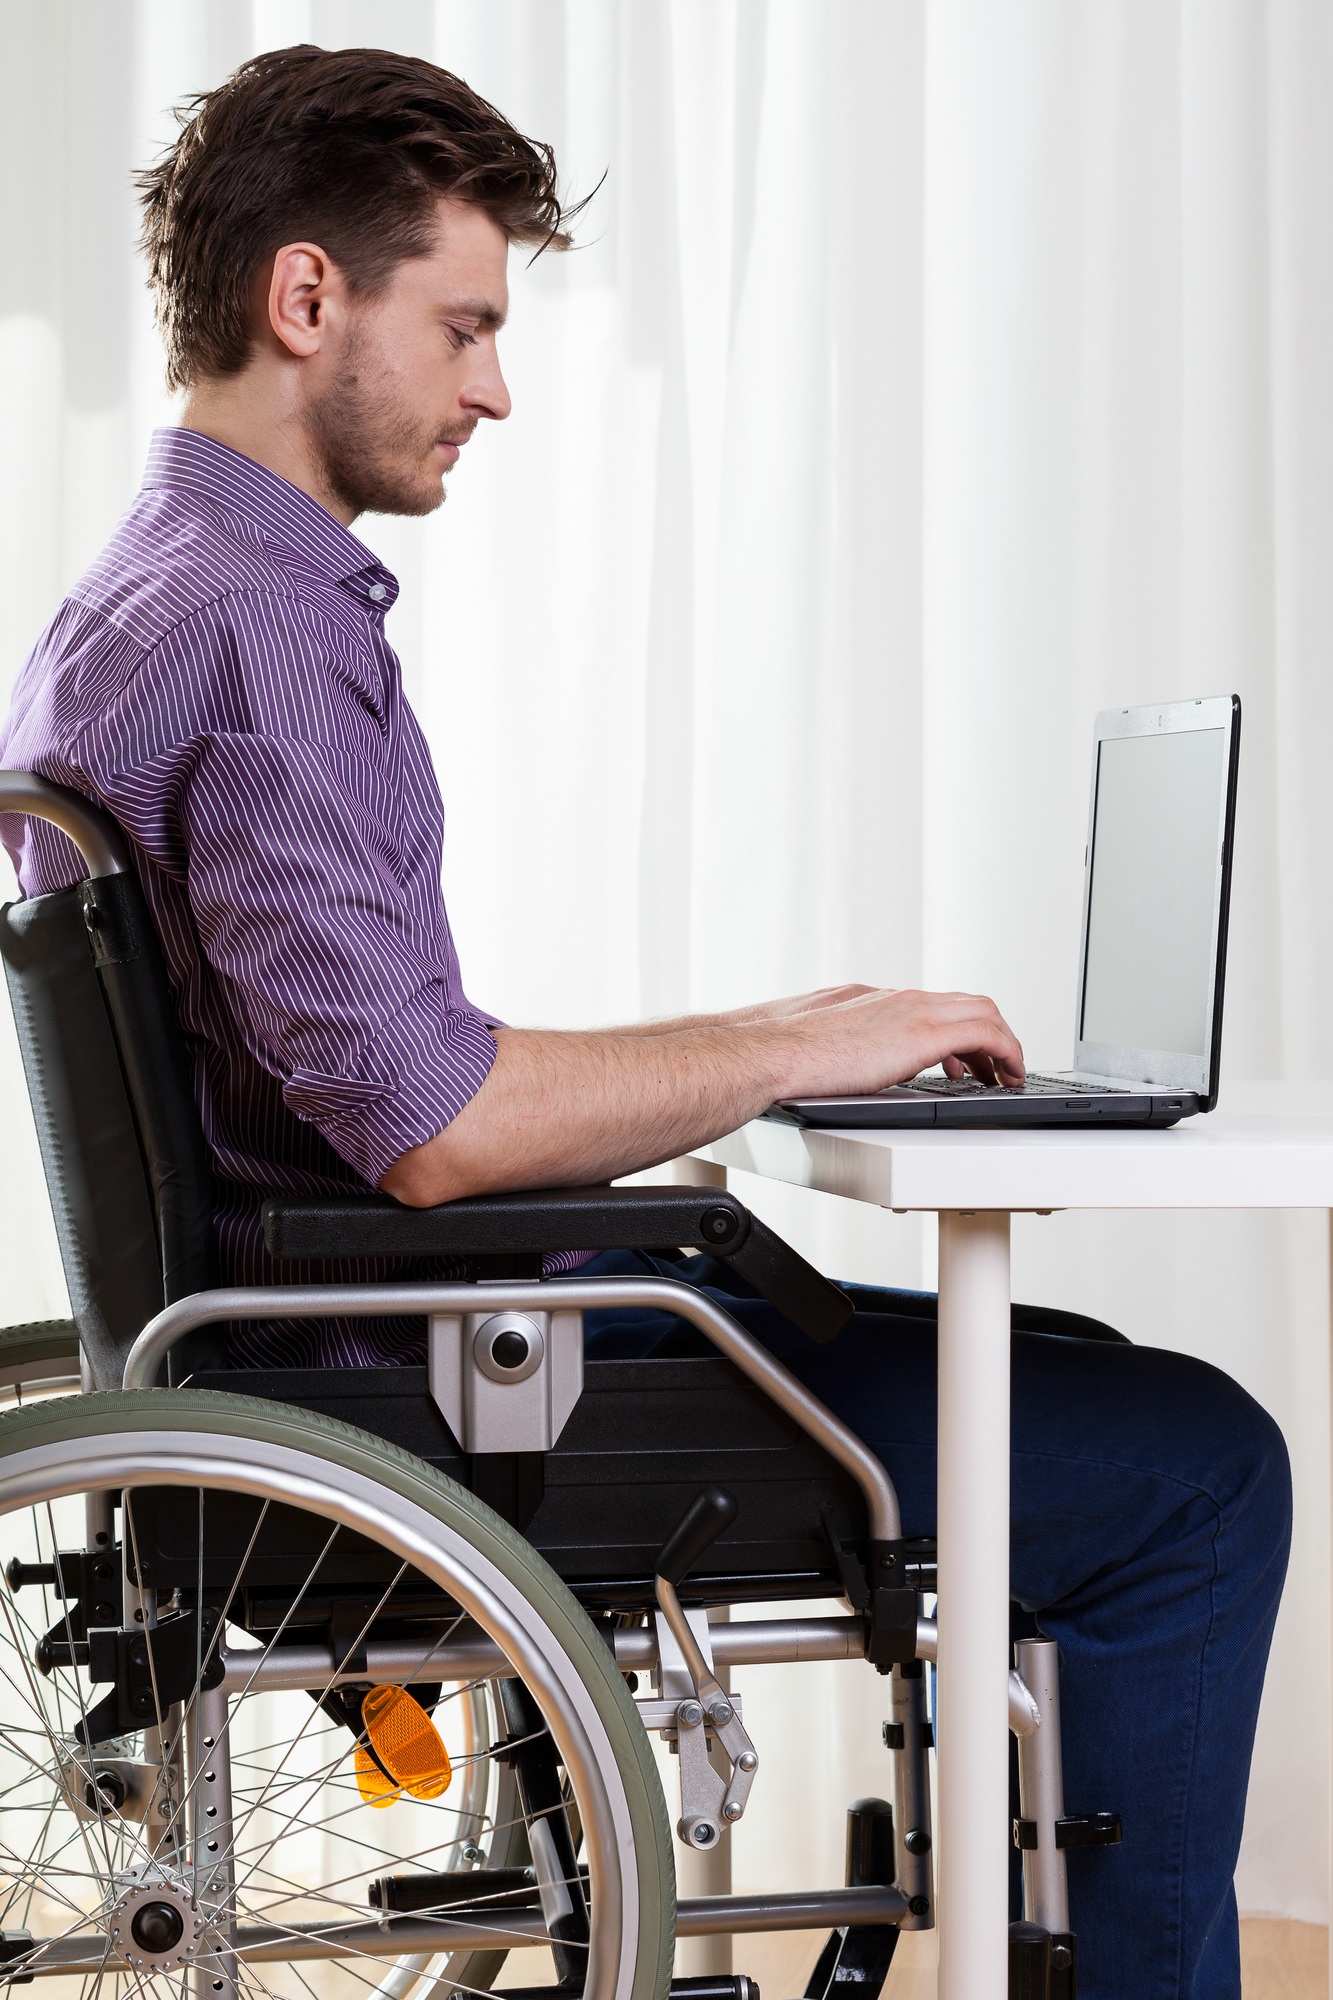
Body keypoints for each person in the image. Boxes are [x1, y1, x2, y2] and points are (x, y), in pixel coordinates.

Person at [0, 46, 1289, 1999]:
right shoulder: (249, 632)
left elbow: (382, 1072)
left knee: (1055, 1367)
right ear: (305, 298)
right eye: (466, 325)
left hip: (361, 1338)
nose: (494, 386)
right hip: (434, 1390)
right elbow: (430, 1122)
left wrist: (800, 1025)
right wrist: (794, 1048)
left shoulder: (142, 599)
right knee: (1196, 1462)